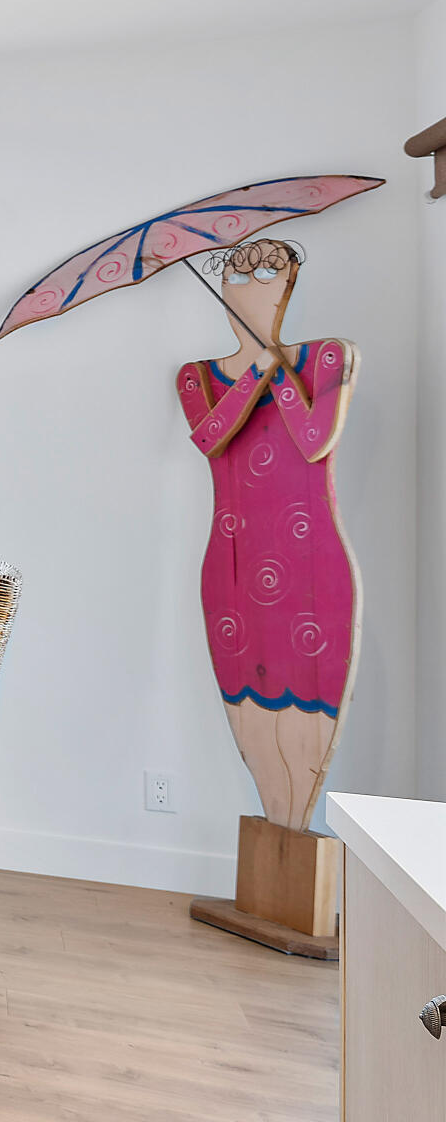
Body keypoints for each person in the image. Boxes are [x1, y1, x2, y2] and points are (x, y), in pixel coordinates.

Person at [173, 239, 357, 832]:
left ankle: (295, 830)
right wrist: (258, 366)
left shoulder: (324, 358)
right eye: (236, 283)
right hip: (231, 557)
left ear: (286, 289)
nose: (248, 293)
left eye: (266, 281)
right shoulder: (197, 376)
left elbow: (312, 441)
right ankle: (274, 823)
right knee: (247, 695)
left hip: (313, 559)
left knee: (312, 693)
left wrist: (278, 370)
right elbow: (210, 439)